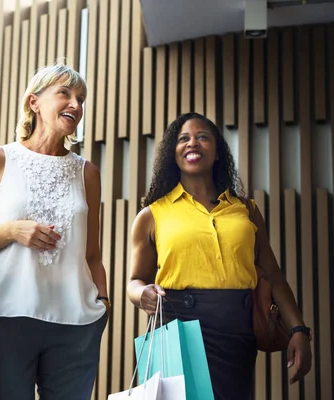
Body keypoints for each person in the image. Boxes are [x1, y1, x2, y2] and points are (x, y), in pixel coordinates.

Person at [126, 112, 312, 399]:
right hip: (177, 328)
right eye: (183, 139)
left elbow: (273, 276)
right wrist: (143, 294)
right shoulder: (151, 215)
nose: (192, 143)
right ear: (172, 154)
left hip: (237, 332)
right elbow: (135, 281)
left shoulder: (246, 210)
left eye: (203, 137)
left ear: (217, 153)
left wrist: (298, 329)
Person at [0, 64, 109, 400]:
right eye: (65, 93)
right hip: (4, 317)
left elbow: (92, 254)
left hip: (77, 321)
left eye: (81, 99)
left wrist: (103, 305)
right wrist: (12, 231)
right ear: (34, 102)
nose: (75, 104)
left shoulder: (88, 173)